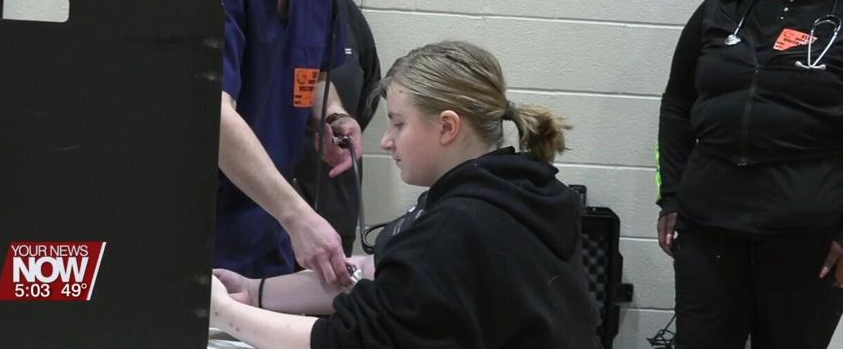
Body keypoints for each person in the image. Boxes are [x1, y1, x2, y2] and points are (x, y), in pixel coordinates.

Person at [210, 41, 601, 349]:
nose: (386, 140)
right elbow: (374, 271)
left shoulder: (459, 226)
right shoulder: (518, 191)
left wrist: (224, 313)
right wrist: (254, 291)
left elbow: (348, 340)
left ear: (447, 127)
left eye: (398, 123)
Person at [145, 0, 413, 286]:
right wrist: (298, 217)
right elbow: (209, 112)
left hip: (265, 228)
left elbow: (314, 70)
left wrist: (332, 117)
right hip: (192, 225)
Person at [656, 0, 843, 348]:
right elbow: (677, 104)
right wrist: (672, 195)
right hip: (709, 226)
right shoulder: (727, 5)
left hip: (806, 235)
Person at [241, 0, 383, 257]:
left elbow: (337, 79)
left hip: (320, 204)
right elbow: (216, 111)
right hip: (243, 207)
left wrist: (334, 116)